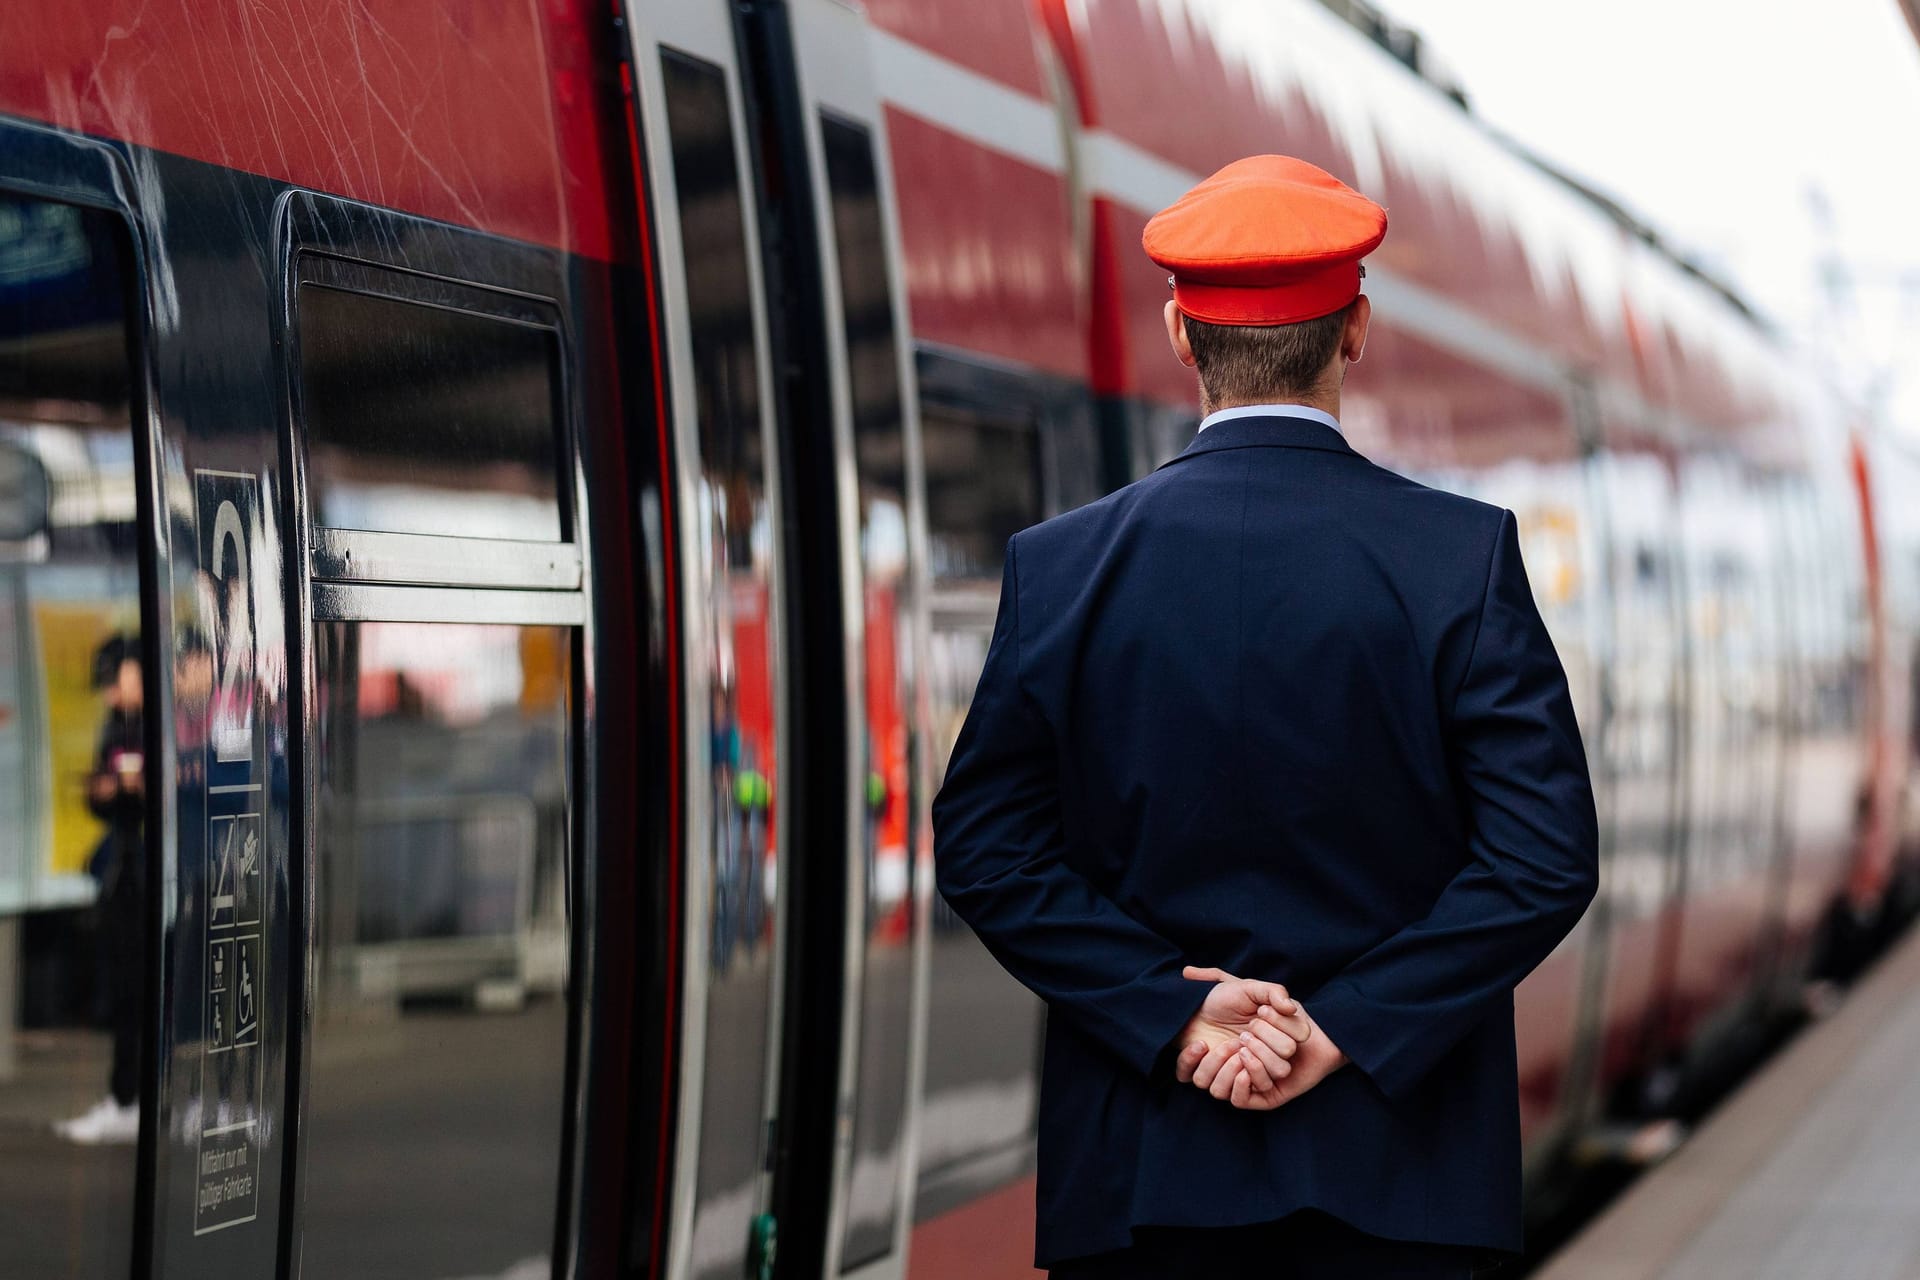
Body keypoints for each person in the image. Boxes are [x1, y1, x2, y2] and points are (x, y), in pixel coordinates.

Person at [931, 155, 1599, 1277]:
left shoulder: (1063, 568)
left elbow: (986, 847)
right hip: (1408, 1188)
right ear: (1356, 332)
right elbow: (1543, 859)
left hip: (1142, 1187)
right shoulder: (1459, 560)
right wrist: (1344, 1028)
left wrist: (1172, 1013)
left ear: (1182, 337)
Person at [57, 632, 146, 1145]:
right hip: (124, 871)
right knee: (123, 990)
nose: (111, 696)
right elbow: (101, 791)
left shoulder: (165, 720)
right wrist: (103, 791)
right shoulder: (116, 725)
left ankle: (137, 1097)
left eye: (115, 682)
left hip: (157, 873)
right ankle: (124, 1098)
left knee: (144, 991)